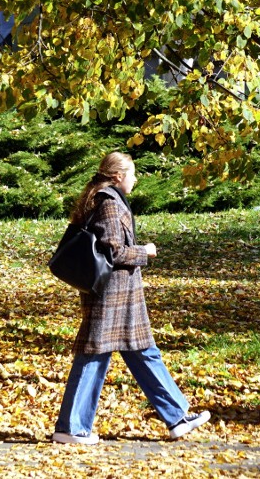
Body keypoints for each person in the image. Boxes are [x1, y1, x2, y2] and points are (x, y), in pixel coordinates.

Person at [52, 151, 210, 445]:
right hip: (112, 297)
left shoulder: (102, 199)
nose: (135, 179)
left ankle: (176, 418)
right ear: (117, 177)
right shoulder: (109, 204)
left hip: (120, 296)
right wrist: (145, 251)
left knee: (144, 352)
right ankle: (70, 428)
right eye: (132, 174)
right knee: (93, 356)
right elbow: (115, 252)